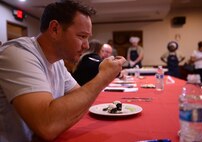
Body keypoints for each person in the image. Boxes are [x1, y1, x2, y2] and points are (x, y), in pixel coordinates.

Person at [0, 1, 126, 142]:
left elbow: (80, 99)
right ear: (55, 29)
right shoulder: (17, 53)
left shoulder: (57, 62)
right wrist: (103, 77)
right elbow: (47, 126)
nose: (87, 45)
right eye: (82, 36)